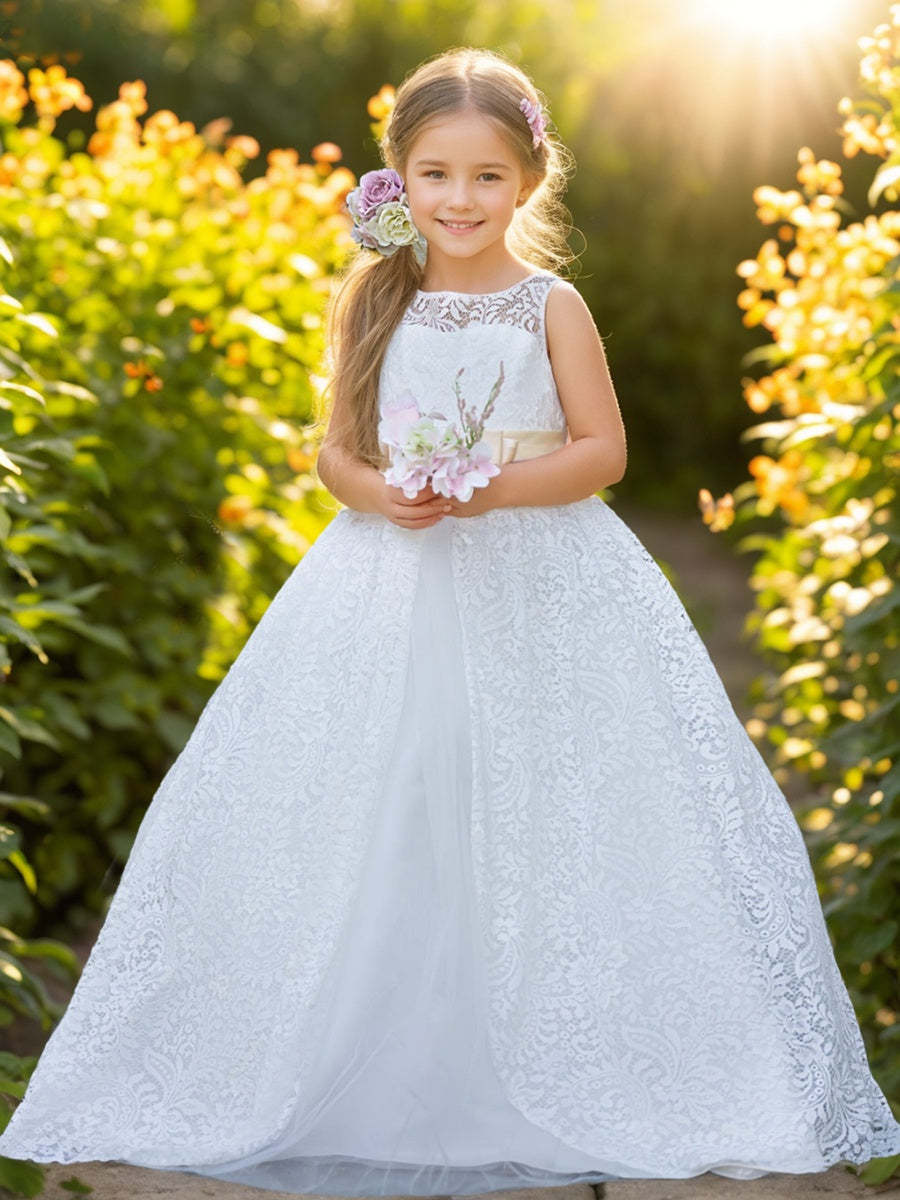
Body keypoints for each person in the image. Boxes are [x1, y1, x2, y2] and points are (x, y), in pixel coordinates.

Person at [1, 44, 899, 1200]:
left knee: (540, 790)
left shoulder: (550, 304)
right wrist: (381, 495)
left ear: (528, 179)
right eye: (435, 174)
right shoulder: (377, 297)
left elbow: (602, 452)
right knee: (394, 781)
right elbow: (336, 450)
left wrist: (489, 488)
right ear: (400, 179)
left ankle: (568, 1049)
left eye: (485, 176)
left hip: (539, 573)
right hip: (390, 575)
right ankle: (383, 1052)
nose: (460, 199)